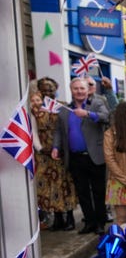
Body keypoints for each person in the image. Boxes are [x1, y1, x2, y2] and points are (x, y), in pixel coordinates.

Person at [51, 76, 110, 235]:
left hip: (94, 156)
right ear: (71, 90)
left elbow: (106, 117)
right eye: (76, 88)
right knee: (82, 193)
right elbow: (58, 130)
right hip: (75, 157)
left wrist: (88, 114)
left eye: (82, 88)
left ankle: (100, 222)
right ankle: (89, 222)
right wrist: (56, 147)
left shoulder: (96, 103)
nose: (79, 91)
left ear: (88, 90)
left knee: (98, 191)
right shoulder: (64, 109)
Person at [30, 81, 77, 231]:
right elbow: (33, 130)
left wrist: (65, 146)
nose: (48, 92)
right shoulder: (35, 109)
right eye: (44, 90)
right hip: (44, 153)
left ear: (56, 90)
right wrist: (40, 148)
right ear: (40, 91)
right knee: (49, 187)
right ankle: (57, 219)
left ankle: (69, 217)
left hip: (62, 152)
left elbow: (69, 127)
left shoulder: (62, 106)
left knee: (65, 184)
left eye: (51, 89)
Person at [103, 101, 126, 226]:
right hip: (119, 183)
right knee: (122, 220)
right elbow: (110, 160)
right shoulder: (110, 134)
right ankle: (123, 245)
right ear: (122, 116)